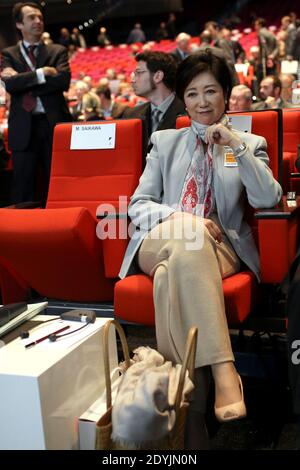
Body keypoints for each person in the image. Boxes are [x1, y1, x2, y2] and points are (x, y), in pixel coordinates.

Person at [119, 50, 282, 447]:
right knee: (185, 242)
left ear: (226, 95)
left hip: (220, 248)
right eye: (192, 94)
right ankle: (225, 370)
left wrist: (235, 145)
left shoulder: (249, 142)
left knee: (167, 279)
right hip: (158, 239)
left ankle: (189, 406)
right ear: (183, 99)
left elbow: (267, 198)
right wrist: (185, 219)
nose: (202, 102)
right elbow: (139, 206)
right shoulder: (164, 141)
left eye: (211, 91)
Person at [1, 2, 71, 205]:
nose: (38, 21)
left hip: (54, 125)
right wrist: (42, 73)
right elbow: (11, 86)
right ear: (19, 24)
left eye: (40, 17)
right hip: (23, 126)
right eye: (31, 17)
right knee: (23, 185)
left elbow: (62, 81)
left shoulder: (57, 51)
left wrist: (21, 80)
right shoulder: (9, 54)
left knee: (58, 182)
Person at [122, 51, 185, 164]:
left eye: (139, 73)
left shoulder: (188, 113)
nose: (133, 80)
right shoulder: (131, 115)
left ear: (158, 76)